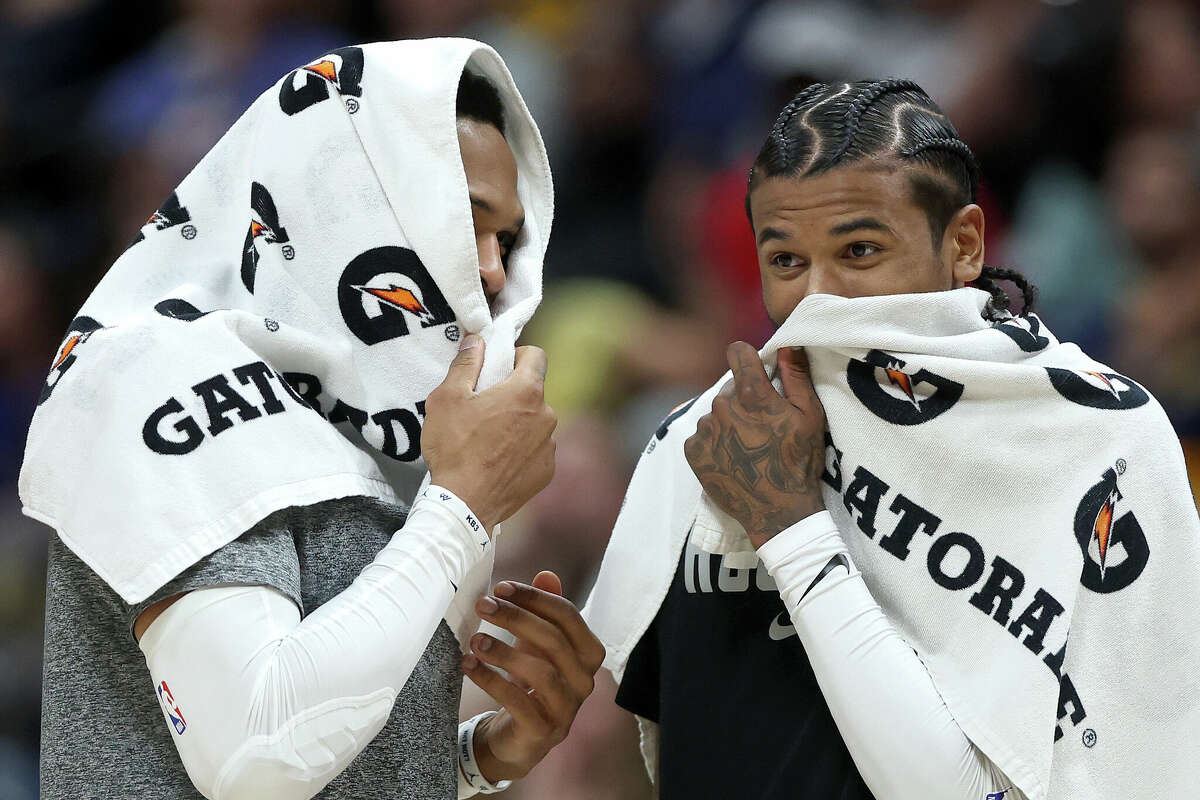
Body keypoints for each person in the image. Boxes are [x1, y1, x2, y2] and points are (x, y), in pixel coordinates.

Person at [584, 79, 1200, 800]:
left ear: (964, 244)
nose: (818, 297)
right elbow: (641, 743)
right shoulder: (703, 438)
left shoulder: (1097, 437)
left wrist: (792, 530)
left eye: (860, 250)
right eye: (786, 261)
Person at [28, 41, 604, 800]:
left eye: (509, 240)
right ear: (353, 194)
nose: (495, 273)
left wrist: (477, 756)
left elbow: (318, 745)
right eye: (468, 220)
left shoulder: (372, 425)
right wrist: (462, 507)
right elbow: (255, 760)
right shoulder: (163, 373)